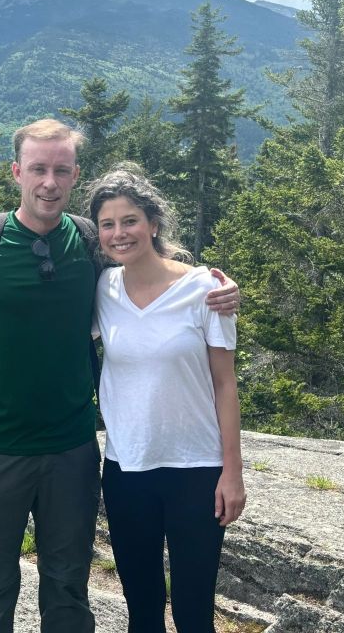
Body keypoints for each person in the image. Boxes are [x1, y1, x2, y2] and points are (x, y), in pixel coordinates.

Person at [0, 119, 238, 633]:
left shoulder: (87, 243)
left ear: (74, 175)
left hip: (71, 451)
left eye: (61, 170)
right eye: (39, 168)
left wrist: (215, 285)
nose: (49, 181)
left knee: (68, 589)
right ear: (16, 171)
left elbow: (144, 267)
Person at [87, 164, 246, 633]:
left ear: (153, 223)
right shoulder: (103, 288)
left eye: (130, 220)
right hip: (126, 468)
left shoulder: (207, 290)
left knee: (195, 610)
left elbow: (225, 382)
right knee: (142, 607)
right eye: (109, 224)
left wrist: (232, 473)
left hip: (196, 469)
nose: (120, 233)